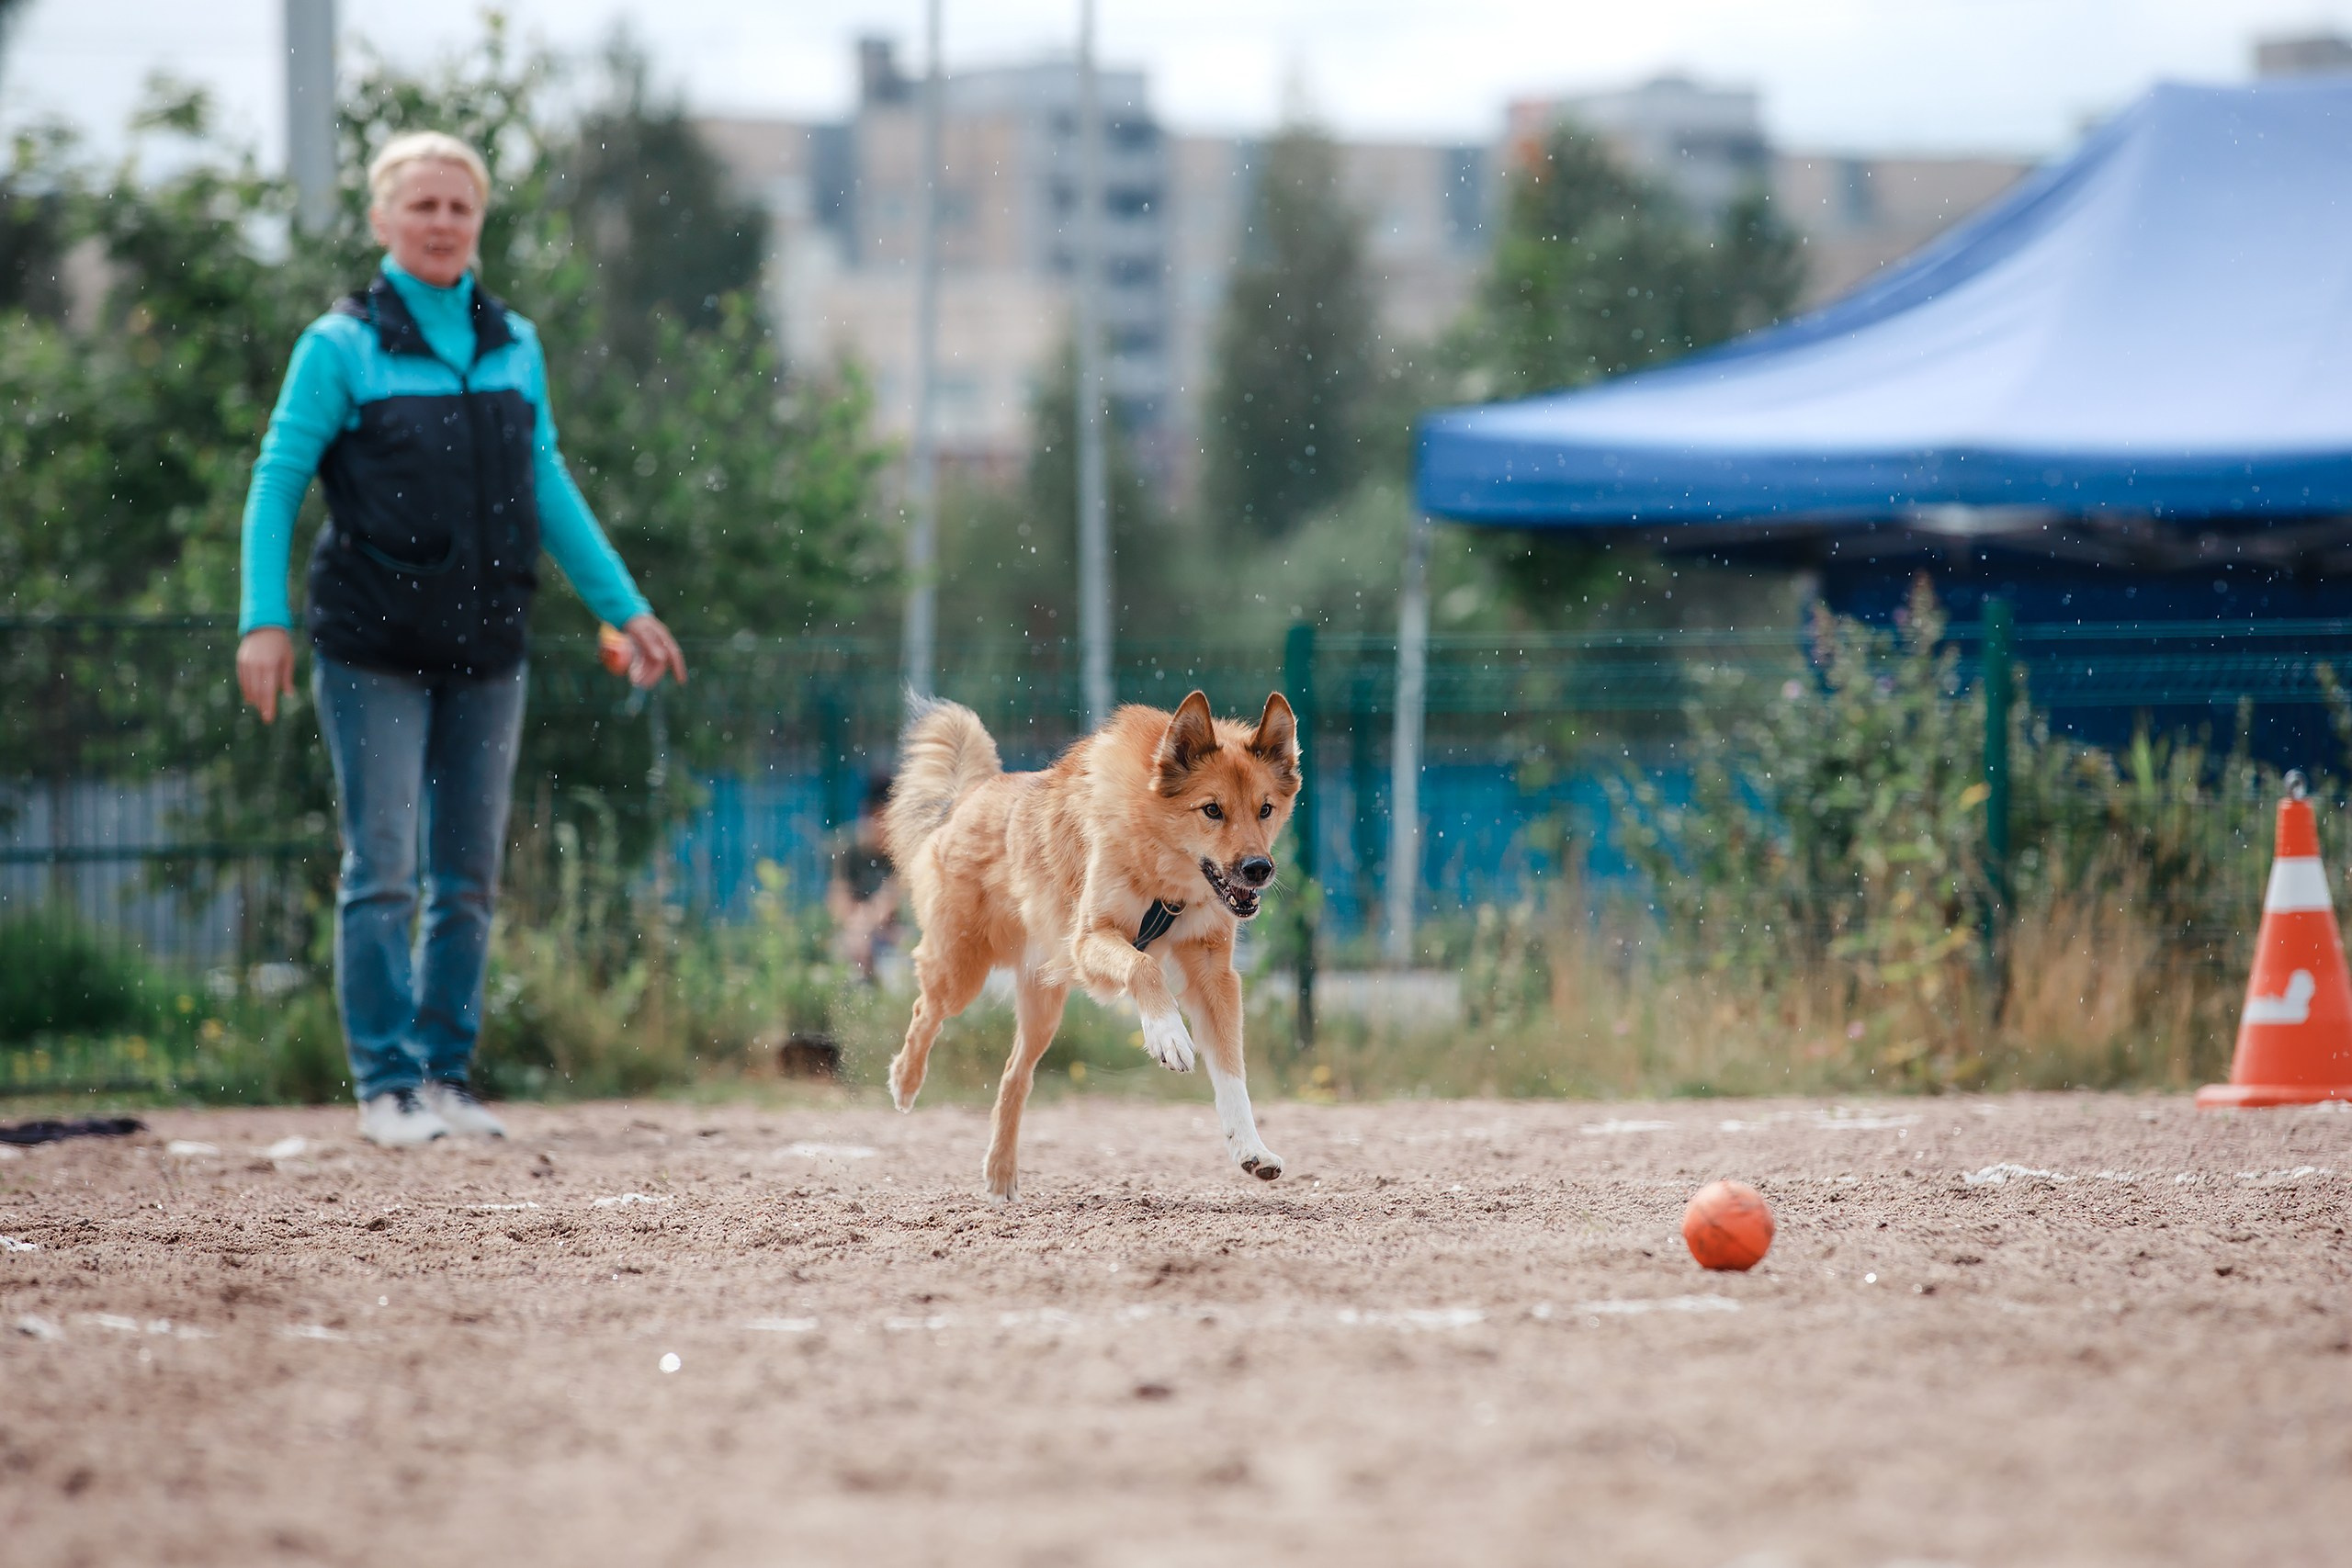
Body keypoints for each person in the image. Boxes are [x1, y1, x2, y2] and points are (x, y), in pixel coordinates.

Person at [235, 131, 686, 1147]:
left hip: (489, 648)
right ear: (382, 219)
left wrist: (624, 606)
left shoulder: (514, 342)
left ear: (479, 222)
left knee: (469, 878)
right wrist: (262, 619)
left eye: (459, 207)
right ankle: (386, 1085)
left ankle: (444, 1075)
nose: (442, 222)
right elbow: (277, 481)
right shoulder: (340, 345)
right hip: (370, 647)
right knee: (383, 870)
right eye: (423, 205)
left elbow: (546, 481)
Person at [825, 775, 902, 983]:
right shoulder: (847, 847)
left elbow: (891, 899)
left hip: (892, 933)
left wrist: (866, 923)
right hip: (855, 932)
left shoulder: (903, 850)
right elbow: (838, 900)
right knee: (844, 952)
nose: (883, 828)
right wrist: (858, 926)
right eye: (879, 819)